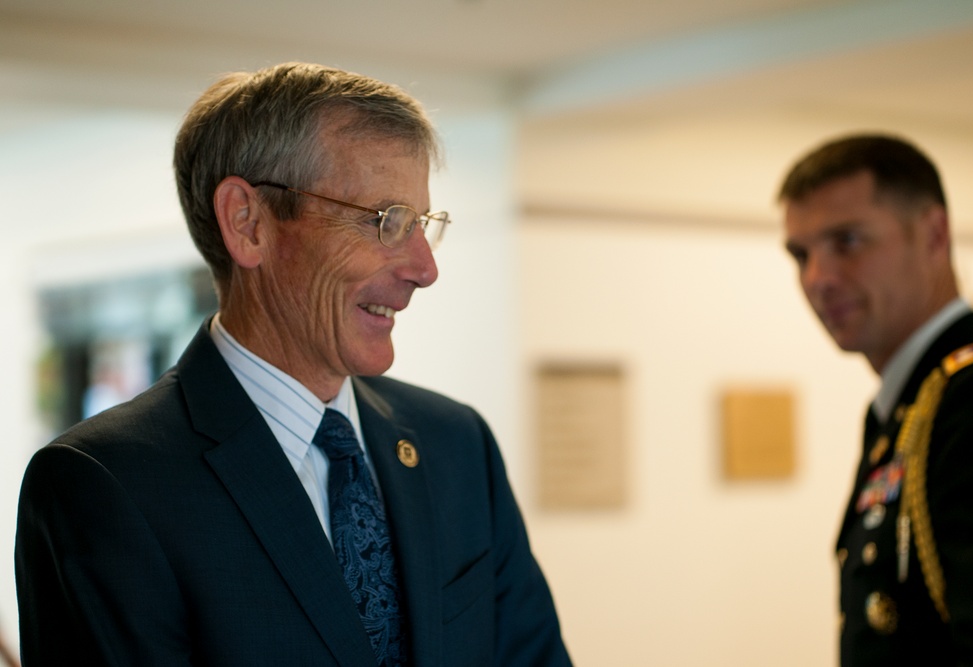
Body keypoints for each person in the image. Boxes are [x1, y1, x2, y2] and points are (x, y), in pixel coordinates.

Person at [15, 62, 572, 667]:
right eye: (386, 220)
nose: (423, 268)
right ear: (247, 223)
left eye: (422, 224)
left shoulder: (455, 444)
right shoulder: (104, 484)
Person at [779, 133, 973, 666]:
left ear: (933, 234)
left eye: (847, 242)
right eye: (800, 254)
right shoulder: (912, 405)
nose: (817, 279)